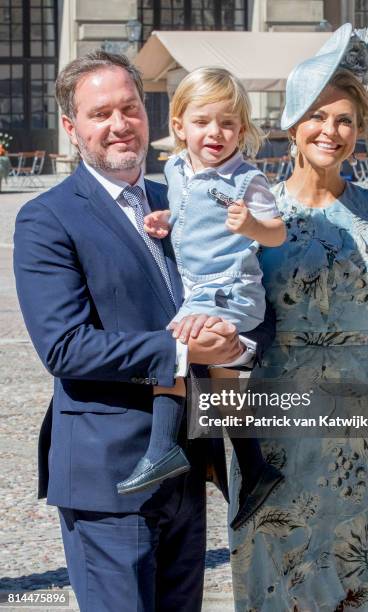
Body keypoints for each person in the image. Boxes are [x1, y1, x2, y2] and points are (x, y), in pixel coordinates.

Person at [13, 50, 275, 612]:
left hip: (186, 469)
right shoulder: (47, 218)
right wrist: (180, 346)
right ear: (71, 127)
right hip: (108, 478)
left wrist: (232, 345)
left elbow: (240, 278)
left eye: (129, 108)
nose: (118, 124)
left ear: (149, 113)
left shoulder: (177, 197)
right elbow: (64, 345)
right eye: (99, 113)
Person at [229, 21, 368, 610]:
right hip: (274, 427)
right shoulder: (254, 212)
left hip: (363, 429)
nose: (331, 130)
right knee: (279, 576)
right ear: (293, 125)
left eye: (344, 119)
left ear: (358, 131)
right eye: (317, 116)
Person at [119, 67, 285, 528]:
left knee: (170, 346)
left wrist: (252, 226)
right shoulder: (174, 168)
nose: (215, 132)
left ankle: (162, 447)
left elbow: (276, 232)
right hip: (199, 287)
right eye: (202, 121)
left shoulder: (245, 179)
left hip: (230, 288)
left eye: (228, 123)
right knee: (219, 384)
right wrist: (168, 220)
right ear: (178, 126)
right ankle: (255, 469)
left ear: (243, 131)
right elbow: (193, 212)